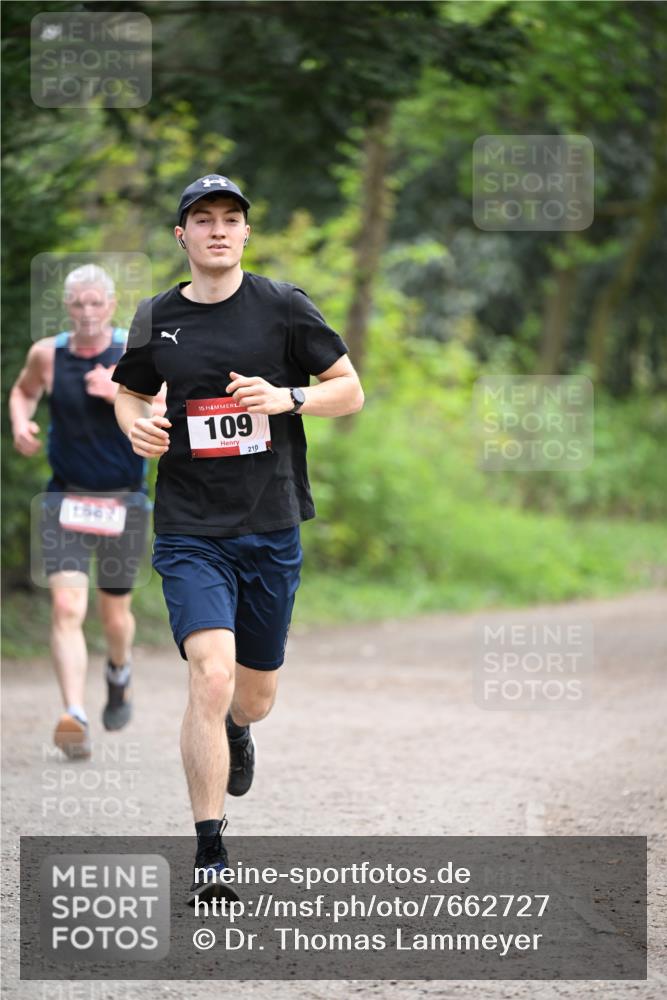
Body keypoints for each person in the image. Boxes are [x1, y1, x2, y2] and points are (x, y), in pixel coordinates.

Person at [112, 174, 364, 904]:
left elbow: (348, 388)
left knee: (251, 698)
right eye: (202, 219)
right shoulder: (156, 316)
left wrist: (288, 397)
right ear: (181, 236)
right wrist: (139, 426)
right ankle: (211, 853)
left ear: (246, 233)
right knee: (209, 673)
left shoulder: (282, 307)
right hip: (191, 526)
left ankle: (237, 729)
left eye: (230, 219)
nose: (218, 229)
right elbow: (131, 389)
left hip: (270, 522)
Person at [9, 264, 162, 760]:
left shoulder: (134, 352)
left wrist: (118, 392)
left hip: (123, 500)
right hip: (65, 498)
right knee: (67, 607)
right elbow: (23, 391)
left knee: (114, 616)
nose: (89, 313)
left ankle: (119, 670)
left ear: (112, 305)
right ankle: (73, 714)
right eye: (79, 304)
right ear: (68, 307)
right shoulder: (48, 355)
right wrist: (21, 423)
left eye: (98, 303)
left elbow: (164, 408)